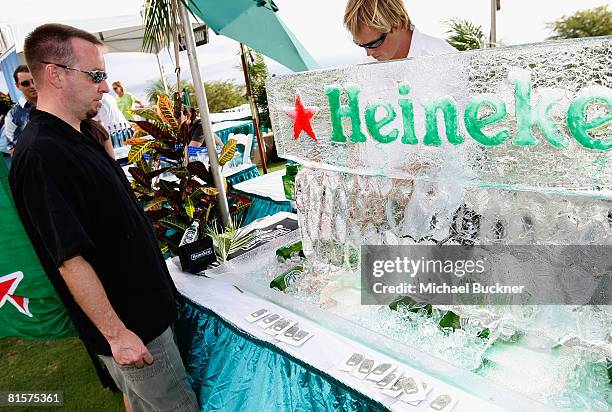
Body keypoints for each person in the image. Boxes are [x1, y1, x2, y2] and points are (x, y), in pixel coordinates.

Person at [9, 23, 198, 412]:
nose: (104, 86)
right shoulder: (43, 153)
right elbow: (70, 258)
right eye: (95, 75)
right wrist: (117, 335)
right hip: (133, 328)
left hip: (145, 317)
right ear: (56, 75)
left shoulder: (79, 136)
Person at [343, 0, 456, 61]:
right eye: (362, 45)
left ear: (396, 24)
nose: (369, 53)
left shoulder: (444, 57)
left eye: (375, 43)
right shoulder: (366, 66)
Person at [3, 65, 38, 158]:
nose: (32, 86)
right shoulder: (13, 116)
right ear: (17, 85)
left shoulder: (54, 101)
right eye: (26, 83)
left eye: (34, 81)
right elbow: (14, 150)